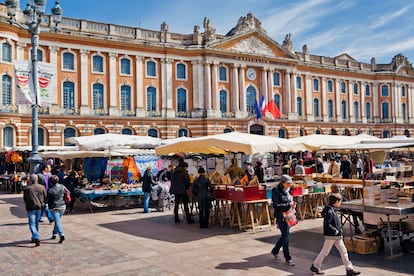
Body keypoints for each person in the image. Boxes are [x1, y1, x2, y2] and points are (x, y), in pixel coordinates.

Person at [310, 193, 361, 276]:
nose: (340, 203)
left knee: (342, 251)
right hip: (332, 235)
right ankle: (315, 266)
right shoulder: (330, 211)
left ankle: (349, 269)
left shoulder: (331, 209)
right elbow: (328, 224)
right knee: (326, 251)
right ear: (336, 201)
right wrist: (335, 231)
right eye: (340, 201)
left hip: (335, 235)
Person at [270, 174, 296, 266]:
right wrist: (288, 205)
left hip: (288, 216)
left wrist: (291, 204)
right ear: (283, 183)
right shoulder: (276, 192)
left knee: (285, 235)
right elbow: (276, 206)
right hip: (281, 217)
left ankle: (275, 250)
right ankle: (288, 258)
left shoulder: (287, 191)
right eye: (288, 183)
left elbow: (288, 201)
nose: (289, 185)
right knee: (286, 237)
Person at [23, 174, 46, 247]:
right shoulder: (42, 187)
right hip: (39, 207)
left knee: (32, 223)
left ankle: (35, 236)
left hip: (31, 207)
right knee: (36, 223)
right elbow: (45, 196)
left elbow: (25, 199)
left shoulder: (27, 189)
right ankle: (34, 237)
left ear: (30, 180)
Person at [46, 174, 66, 243]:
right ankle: (54, 233)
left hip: (54, 207)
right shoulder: (62, 186)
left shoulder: (50, 190)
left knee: (57, 222)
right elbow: (68, 192)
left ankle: (61, 235)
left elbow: (47, 200)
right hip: (62, 206)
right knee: (57, 221)